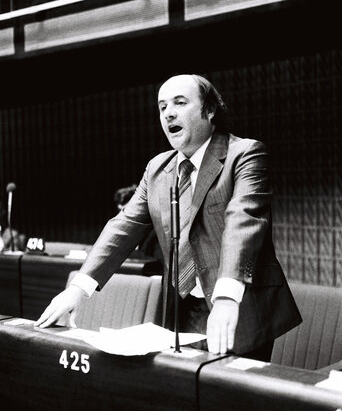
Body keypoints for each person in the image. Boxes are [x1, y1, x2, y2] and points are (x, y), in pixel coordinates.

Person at [34, 73, 302, 358]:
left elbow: (243, 221)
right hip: (182, 310)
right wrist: (77, 290)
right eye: (162, 107)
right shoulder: (157, 169)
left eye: (180, 102)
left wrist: (225, 297)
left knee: (229, 397)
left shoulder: (245, 154)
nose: (168, 113)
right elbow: (123, 227)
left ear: (210, 110)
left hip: (238, 306)